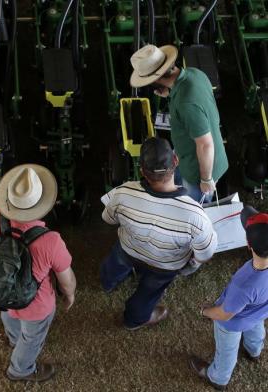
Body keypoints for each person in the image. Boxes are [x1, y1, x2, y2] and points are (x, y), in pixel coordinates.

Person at [101, 137, 217, 330]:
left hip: (128, 249)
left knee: (114, 265)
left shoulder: (123, 192)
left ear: (141, 170)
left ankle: (107, 284)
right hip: (165, 266)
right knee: (148, 293)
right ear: (176, 162)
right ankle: (133, 319)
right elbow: (205, 254)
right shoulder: (196, 215)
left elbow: (108, 219)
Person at [0, 164, 76, 383]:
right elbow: (66, 280)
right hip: (35, 304)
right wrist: (69, 295)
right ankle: (20, 370)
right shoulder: (50, 241)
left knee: (9, 314)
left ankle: (13, 338)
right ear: (42, 204)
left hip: (1, 288)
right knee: (32, 338)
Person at [129, 44, 228, 203]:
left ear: (156, 79)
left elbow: (205, 145)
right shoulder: (195, 74)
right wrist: (171, 93)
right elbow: (198, 102)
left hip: (200, 170)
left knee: (190, 208)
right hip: (192, 154)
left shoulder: (185, 103)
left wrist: (205, 180)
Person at [190, 205, 268, 390]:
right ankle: (254, 350)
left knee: (227, 352)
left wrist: (206, 311)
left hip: (233, 323)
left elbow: (225, 314)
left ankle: (218, 377)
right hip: (259, 313)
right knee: (256, 330)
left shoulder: (245, 284)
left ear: (249, 245)